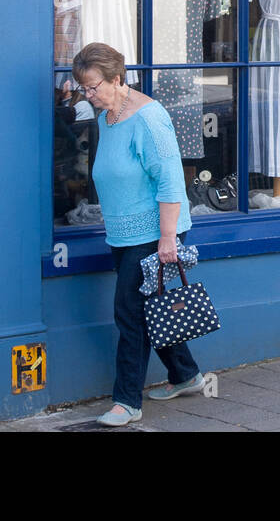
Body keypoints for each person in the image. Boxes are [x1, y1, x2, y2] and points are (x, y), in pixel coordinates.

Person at [71, 42, 207, 427]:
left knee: (129, 314)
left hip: (151, 234)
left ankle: (127, 402)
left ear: (118, 79)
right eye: (84, 89)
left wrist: (167, 240)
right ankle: (187, 375)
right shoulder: (106, 117)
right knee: (150, 311)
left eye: (94, 87)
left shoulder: (149, 118)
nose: (89, 95)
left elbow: (169, 181)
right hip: (122, 233)